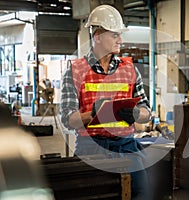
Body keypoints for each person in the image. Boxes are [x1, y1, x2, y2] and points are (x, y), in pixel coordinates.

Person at [60, 4, 152, 200]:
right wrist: (92, 113)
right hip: (90, 146)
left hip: (126, 146)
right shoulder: (75, 71)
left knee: (143, 192)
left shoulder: (130, 70)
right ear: (98, 36)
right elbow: (68, 119)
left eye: (120, 34)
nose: (121, 40)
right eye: (115, 35)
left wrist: (137, 114)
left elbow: (147, 111)